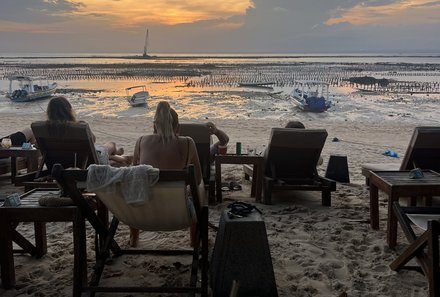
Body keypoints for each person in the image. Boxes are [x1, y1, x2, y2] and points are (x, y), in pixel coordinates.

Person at [132, 101, 204, 246]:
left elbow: (133, 177)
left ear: (154, 126)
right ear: (178, 127)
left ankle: (134, 239)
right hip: (179, 214)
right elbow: (197, 179)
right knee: (200, 188)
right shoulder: (188, 143)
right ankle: (194, 241)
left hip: (143, 212)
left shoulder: (141, 141)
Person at [45, 96, 131, 166]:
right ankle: (116, 154)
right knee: (111, 144)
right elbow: (93, 140)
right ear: (68, 110)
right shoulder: (79, 126)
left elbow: (38, 146)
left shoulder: (43, 128)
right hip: (86, 162)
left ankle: (118, 157)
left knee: (105, 153)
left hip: (61, 163)